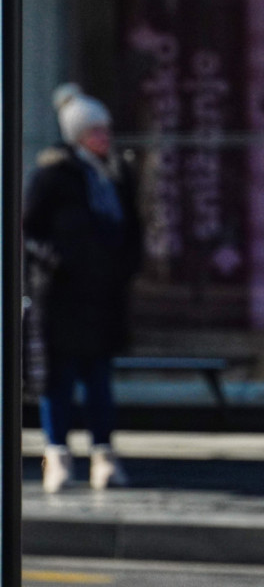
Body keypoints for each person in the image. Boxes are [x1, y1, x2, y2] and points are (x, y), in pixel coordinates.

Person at [23, 84, 143, 493]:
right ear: (78, 136)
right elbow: (28, 231)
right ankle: (56, 455)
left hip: (103, 298)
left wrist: (125, 269)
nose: (104, 138)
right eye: (95, 132)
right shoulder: (53, 174)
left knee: (99, 382)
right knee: (58, 381)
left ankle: (103, 456)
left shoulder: (116, 176)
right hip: (61, 298)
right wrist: (57, 263)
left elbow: (133, 231)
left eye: (106, 130)